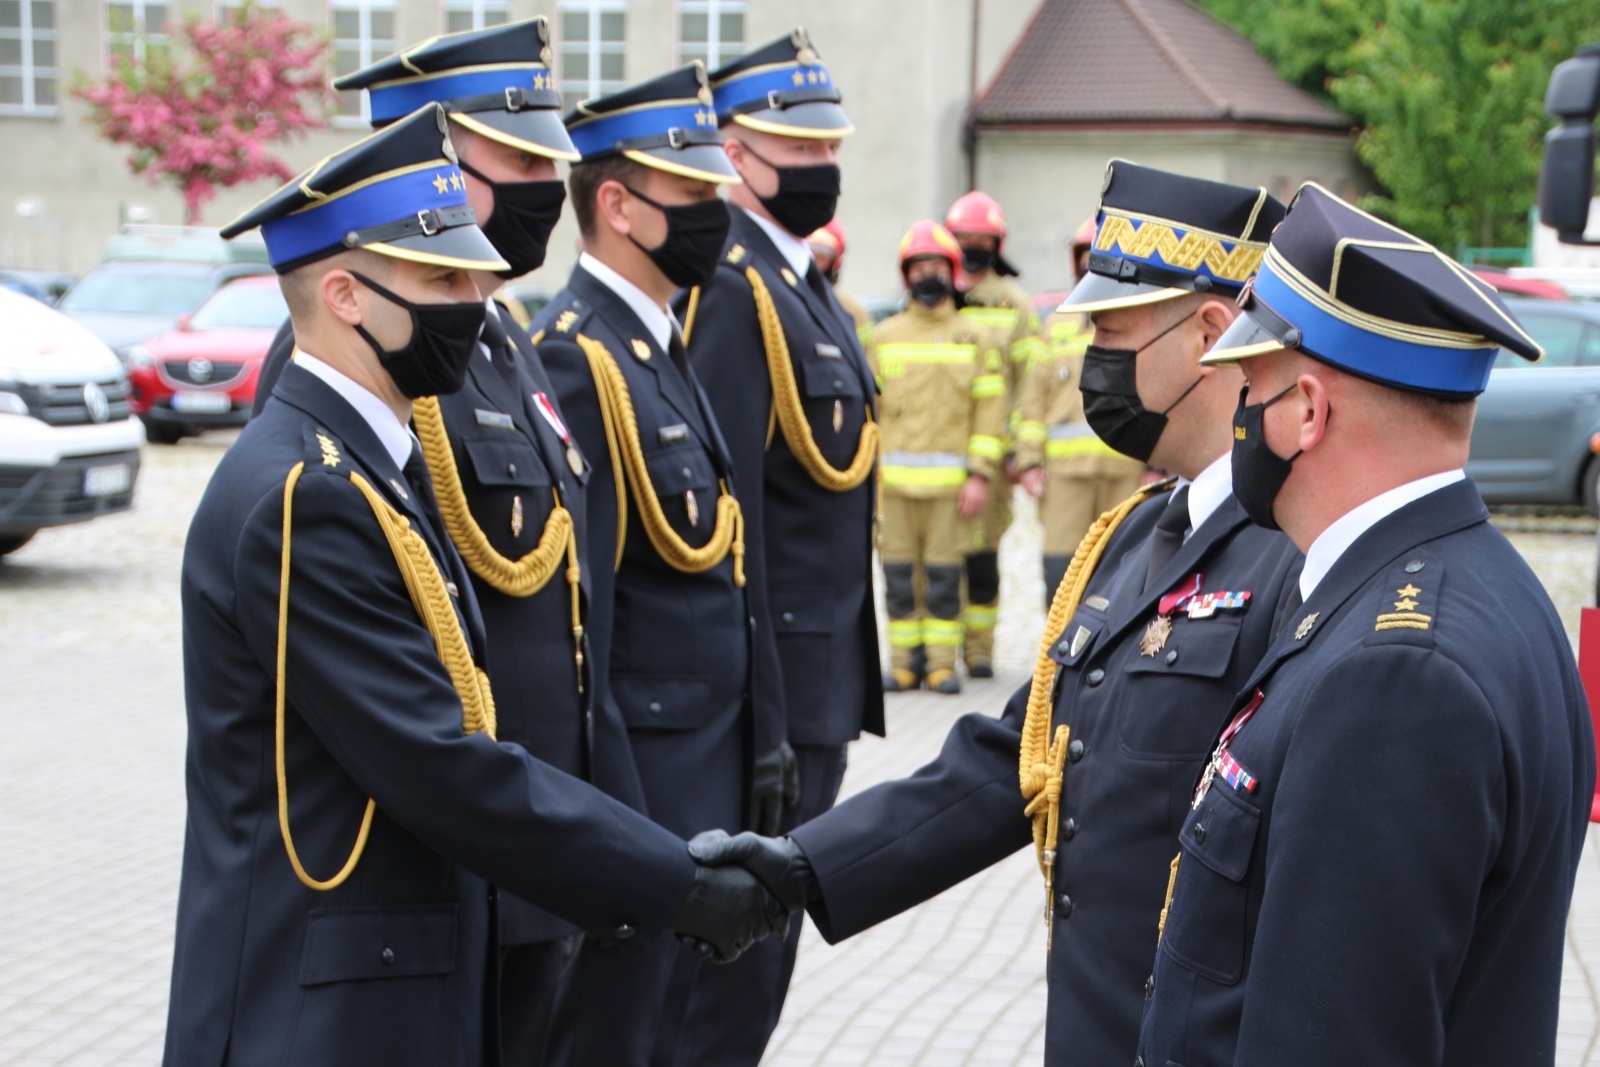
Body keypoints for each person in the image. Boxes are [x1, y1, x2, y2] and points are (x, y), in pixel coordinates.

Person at [163, 104, 786, 1067]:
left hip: (391, 980)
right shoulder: (303, 494)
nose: (476, 294)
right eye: (443, 276)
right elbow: (440, 763)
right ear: (345, 293)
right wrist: (674, 880)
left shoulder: (375, 466)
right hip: (319, 1010)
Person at [691, 162, 1305, 1066]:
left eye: (1114, 329)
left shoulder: (1294, 552)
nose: (1092, 358)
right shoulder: (1137, 534)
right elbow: (1017, 756)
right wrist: (805, 867)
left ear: (1212, 329)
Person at [1136, 182, 1594, 1067]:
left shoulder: (1396, 673)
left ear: (1308, 409)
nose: (1236, 413)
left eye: (1250, 386)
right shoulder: (1470, 586)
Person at [310, 21, 646, 1065]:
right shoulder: (369, 349)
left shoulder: (501, 338)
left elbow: (568, 601)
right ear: (435, 159)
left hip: (542, 835)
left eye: (555, 160)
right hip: (464, 843)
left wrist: (613, 818)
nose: (552, 183)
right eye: (523, 161)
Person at [528, 64, 770, 1067]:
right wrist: (622, 828)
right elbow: (587, 621)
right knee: (618, 1037)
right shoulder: (579, 357)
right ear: (618, 205)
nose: (722, 213)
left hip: (709, 764)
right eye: (697, 196)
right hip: (651, 787)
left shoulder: (659, 343)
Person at [669, 30, 883, 1063]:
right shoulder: (735, 286)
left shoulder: (802, 286)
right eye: (790, 150)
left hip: (815, 683)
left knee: (759, 970)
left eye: (822, 148)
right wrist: (760, 715)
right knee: (726, 985)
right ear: (731, 152)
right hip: (776, 698)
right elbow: (726, 522)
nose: (815, 168)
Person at [872, 220, 1007, 695]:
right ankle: (902, 665)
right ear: (906, 275)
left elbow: (990, 414)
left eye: (936, 266)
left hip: (953, 490)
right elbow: (871, 414)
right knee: (898, 580)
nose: (928, 275)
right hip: (894, 489)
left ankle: (941, 667)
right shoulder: (883, 337)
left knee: (947, 579)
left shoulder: (975, 338)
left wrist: (979, 475)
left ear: (951, 272)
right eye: (919, 267)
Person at [1018, 215, 1145, 595]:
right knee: (1063, 568)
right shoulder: (1054, 327)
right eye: (1087, 257)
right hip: (1065, 476)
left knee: (1125, 567)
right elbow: (1033, 401)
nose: (1093, 267)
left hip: (1125, 470)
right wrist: (1027, 462)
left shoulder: (1141, 324)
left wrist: (1156, 466)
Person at [945, 190, 1043, 676]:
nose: (972, 247)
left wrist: (1020, 452)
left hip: (993, 451)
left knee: (983, 553)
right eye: (963, 239)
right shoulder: (937, 296)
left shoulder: (1014, 304)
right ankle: (937, 653)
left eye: (981, 240)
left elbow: (1028, 387)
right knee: (938, 554)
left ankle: (979, 651)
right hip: (939, 450)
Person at [805, 218, 874, 346]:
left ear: (836, 263)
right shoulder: (782, 298)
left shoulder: (853, 310)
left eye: (823, 256)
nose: (815, 262)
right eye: (810, 252)